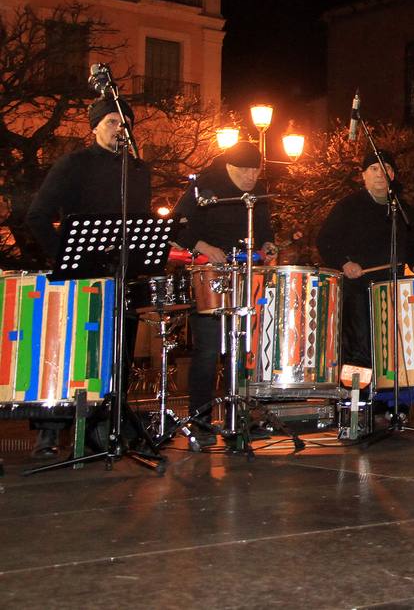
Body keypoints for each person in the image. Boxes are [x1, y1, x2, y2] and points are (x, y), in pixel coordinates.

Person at [24, 96, 153, 458]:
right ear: (94, 127)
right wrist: (66, 258)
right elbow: (37, 215)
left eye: (124, 122)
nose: (119, 128)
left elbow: (139, 223)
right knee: (71, 356)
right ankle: (49, 434)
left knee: (117, 356)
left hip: (121, 278)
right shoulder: (73, 164)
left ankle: (104, 429)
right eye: (112, 121)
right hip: (80, 279)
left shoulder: (139, 170)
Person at [169, 141, 277, 445]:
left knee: (242, 348)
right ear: (228, 167)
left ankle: (237, 418)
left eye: (255, 170)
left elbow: (266, 230)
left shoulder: (258, 193)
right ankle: (200, 421)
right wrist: (203, 246)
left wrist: (268, 245)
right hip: (209, 274)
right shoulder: (205, 186)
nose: (250, 176)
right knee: (209, 349)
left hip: (244, 273)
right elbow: (177, 226)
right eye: (243, 170)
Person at [316, 152, 414, 388]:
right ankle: (357, 406)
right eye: (374, 168)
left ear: (393, 175)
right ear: (363, 176)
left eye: (385, 168)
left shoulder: (403, 210)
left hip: (393, 288)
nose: (380, 174)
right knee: (361, 349)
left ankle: (389, 407)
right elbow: (325, 240)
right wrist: (345, 263)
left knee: (394, 350)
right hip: (358, 289)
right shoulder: (348, 206)